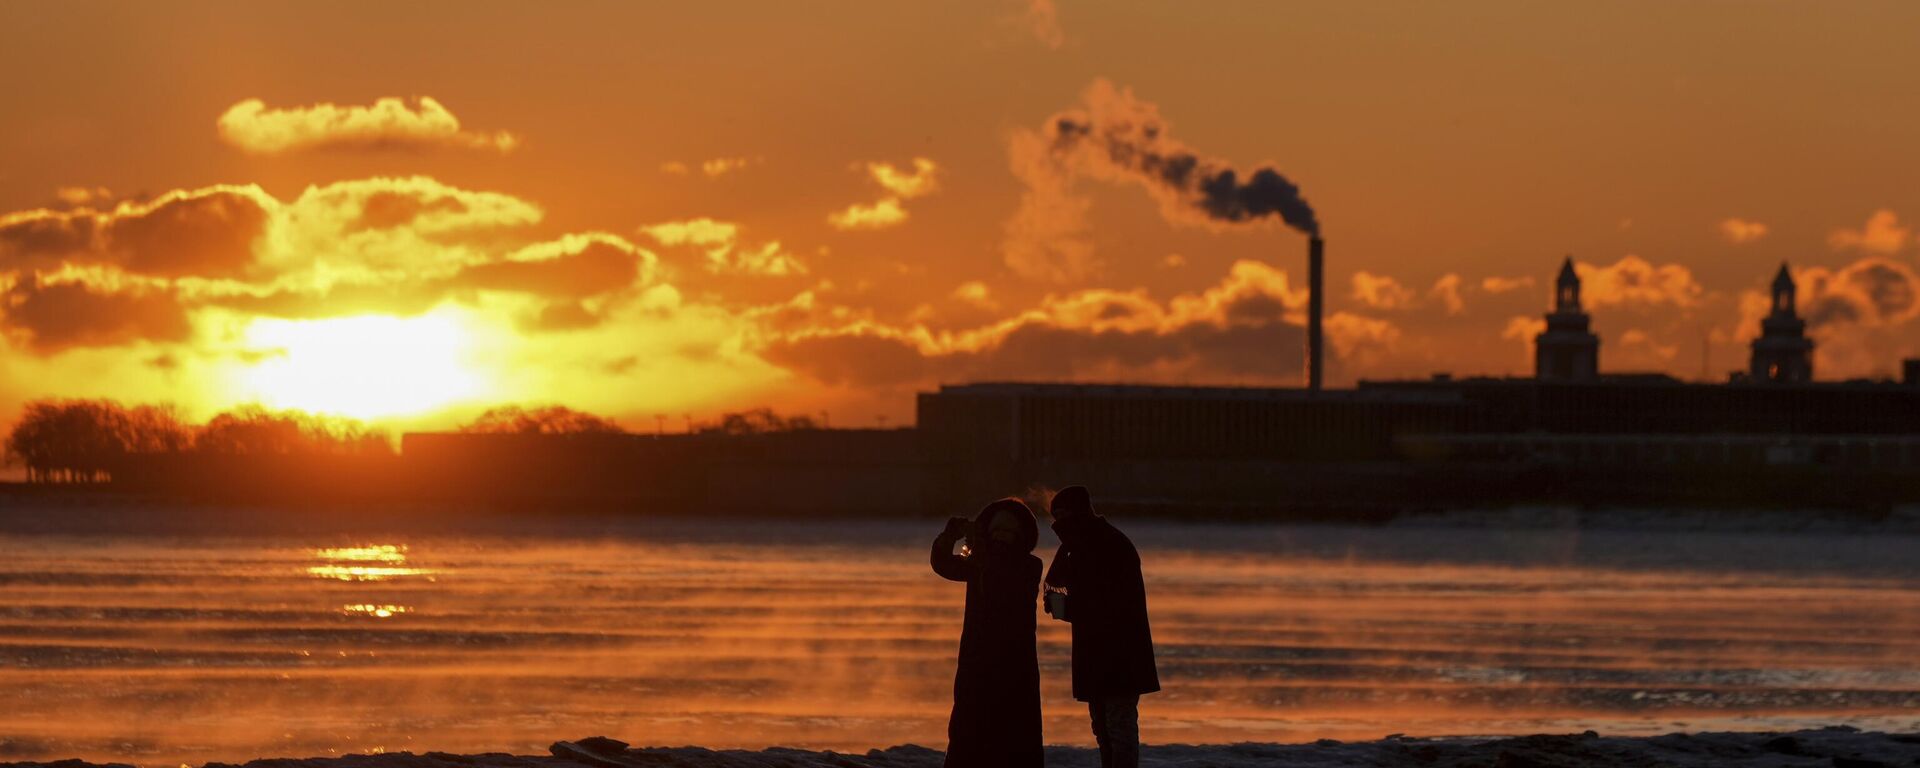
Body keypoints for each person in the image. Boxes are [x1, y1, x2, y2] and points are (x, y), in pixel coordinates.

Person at [1043, 485, 1158, 768]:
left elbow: (1104, 602)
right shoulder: (1080, 546)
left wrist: (1062, 607)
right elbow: (1068, 593)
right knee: (1103, 729)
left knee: (1118, 728)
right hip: (1097, 652)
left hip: (1120, 654)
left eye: (1062, 515)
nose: (1058, 523)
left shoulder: (1107, 545)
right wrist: (1060, 606)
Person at [930, 498, 1044, 768]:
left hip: (1014, 665)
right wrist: (949, 537)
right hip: (976, 661)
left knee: (1014, 732)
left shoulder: (1029, 566)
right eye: (997, 531)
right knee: (969, 726)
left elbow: (999, 581)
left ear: (1020, 536)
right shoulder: (977, 562)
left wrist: (979, 549)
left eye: (1008, 532)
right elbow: (943, 564)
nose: (1001, 538)